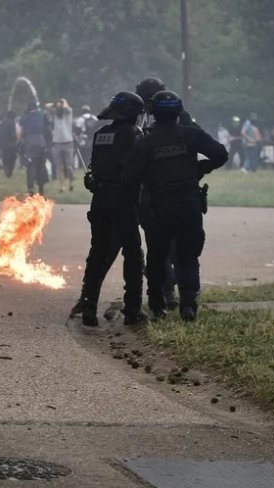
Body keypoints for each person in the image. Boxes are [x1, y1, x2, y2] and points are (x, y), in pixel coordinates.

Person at [122, 91, 228, 321]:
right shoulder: (190, 135)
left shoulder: (145, 143)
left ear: (152, 113)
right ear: (179, 111)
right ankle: (188, 304)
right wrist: (202, 168)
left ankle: (157, 305)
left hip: (158, 209)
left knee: (157, 256)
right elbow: (221, 154)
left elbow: (130, 178)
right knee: (188, 255)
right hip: (189, 206)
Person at [70, 92, 147, 327]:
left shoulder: (101, 135)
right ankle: (133, 310)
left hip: (100, 199)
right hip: (124, 199)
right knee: (133, 253)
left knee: (98, 253)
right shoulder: (134, 135)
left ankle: (89, 306)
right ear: (134, 115)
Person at [18, 101, 49, 195]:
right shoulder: (41, 115)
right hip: (41, 141)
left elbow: (21, 130)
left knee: (31, 165)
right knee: (41, 164)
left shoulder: (24, 117)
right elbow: (47, 127)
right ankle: (41, 186)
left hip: (29, 142)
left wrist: (20, 143)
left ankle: (31, 187)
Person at [50, 98, 75, 192]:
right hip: (57, 142)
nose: (59, 105)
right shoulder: (55, 114)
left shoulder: (68, 113)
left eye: (61, 104)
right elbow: (47, 106)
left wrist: (64, 101)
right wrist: (55, 104)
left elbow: (67, 107)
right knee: (59, 166)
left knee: (69, 166)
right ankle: (61, 186)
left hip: (68, 142)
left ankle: (71, 183)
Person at [0, 110, 19, 178]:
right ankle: (10, 170)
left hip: (4, 143)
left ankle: (6, 168)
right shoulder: (12, 123)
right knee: (12, 157)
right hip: (11, 143)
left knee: (5, 157)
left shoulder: (3, 122)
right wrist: (16, 138)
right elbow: (13, 133)